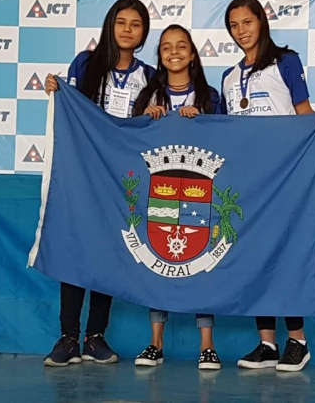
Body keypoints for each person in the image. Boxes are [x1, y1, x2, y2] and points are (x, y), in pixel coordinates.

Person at [221, 0, 315, 372]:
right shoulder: (227, 77)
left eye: (247, 22)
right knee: (256, 258)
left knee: (287, 256)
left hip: (285, 179)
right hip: (249, 182)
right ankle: (267, 344)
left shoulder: (285, 61)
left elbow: (303, 113)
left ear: (262, 21)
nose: (242, 31)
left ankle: (298, 342)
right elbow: (227, 134)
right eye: (234, 25)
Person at [42, 0, 155, 367]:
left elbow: (150, 131)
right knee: (76, 247)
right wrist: (54, 89)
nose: (127, 29)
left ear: (143, 33)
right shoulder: (86, 63)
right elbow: (69, 106)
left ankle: (95, 337)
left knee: (110, 251)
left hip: (122, 178)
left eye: (135, 24)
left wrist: (156, 113)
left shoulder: (149, 76)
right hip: (83, 172)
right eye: (121, 22)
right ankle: (67, 337)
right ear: (110, 25)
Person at [132, 24, 223, 370]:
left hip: (202, 192)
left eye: (182, 46)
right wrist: (145, 120)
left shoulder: (210, 96)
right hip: (160, 192)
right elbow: (128, 142)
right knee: (160, 263)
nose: (174, 52)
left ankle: (207, 345)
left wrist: (205, 122)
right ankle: (155, 343)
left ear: (193, 54)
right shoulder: (148, 97)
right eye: (166, 47)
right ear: (159, 56)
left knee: (202, 262)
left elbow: (231, 141)